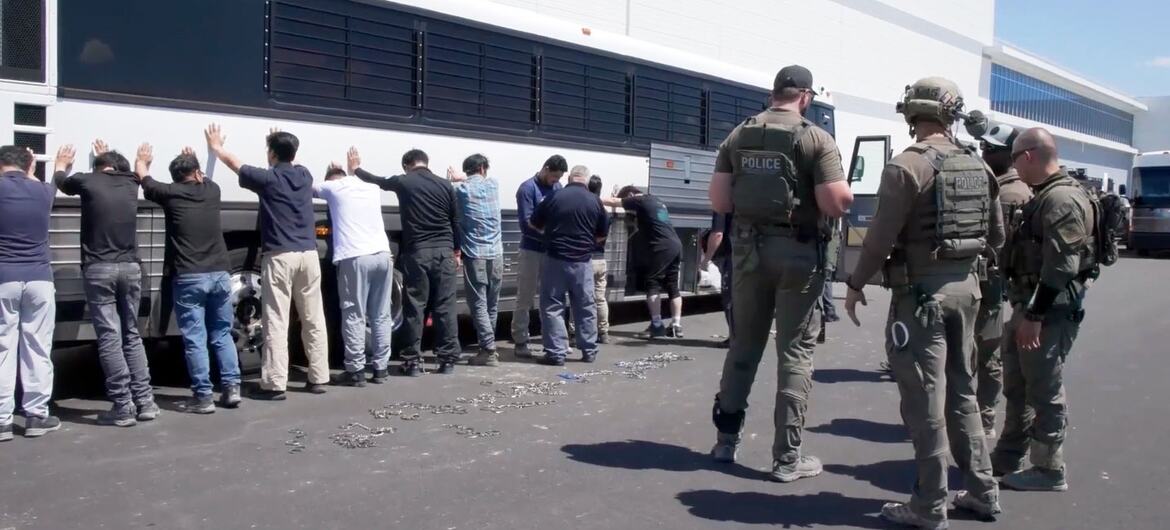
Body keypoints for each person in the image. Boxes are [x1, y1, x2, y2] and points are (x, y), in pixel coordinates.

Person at [843, 77, 1004, 527]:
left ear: (913, 113)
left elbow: (879, 238)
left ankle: (930, 504)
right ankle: (982, 491)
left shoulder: (906, 166)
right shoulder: (979, 166)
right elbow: (996, 237)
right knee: (963, 392)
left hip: (920, 297)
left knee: (924, 400)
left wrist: (855, 284)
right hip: (967, 292)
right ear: (952, 113)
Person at [706, 65, 853, 483]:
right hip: (799, 255)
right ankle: (787, 458)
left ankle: (725, 441)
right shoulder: (815, 138)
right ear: (805, 96)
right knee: (795, 353)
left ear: (774, 93)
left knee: (743, 346)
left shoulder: (739, 134)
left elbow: (720, 200)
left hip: (749, 253)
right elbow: (836, 203)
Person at [992, 127, 1096, 492]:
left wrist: (1034, 316)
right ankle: (1010, 454)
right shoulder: (1045, 195)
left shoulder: (1062, 199)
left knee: (1045, 389)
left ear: (1029, 156)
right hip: (1030, 307)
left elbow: (1062, 267)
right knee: (1018, 385)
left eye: (1015, 159)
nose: (1014, 167)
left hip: (1048, 313)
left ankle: (1049, 469)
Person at [205, 124, 328, 400]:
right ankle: (318, 377)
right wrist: (277, 145)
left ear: (272, 154)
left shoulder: (268, 179)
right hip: (309, 255)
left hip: (280, 255)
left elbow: (237, 165)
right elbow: (284, 162)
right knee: (313, 317)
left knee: (276, 319)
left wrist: (217, 148)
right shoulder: (305, 175)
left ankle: (274, 384)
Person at [54, 140, 159, 426]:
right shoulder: (131, 182)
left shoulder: (87, 181)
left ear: (98, 168)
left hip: (99, 269)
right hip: (131, 268)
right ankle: (146, 401)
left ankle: (123, 406)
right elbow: (127, 172)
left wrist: (61, 165)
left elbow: (62, 181)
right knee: (131, 335)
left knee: (110, 337)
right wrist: (138, 161)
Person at [136, 144, 242, 413]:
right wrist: (193, 157)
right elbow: (202, 177)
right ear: (196, 173)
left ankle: (203, 397)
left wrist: (142, 161)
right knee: (222, 333)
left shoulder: (169, 193)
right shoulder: (212, 190)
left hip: (189, 276)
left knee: (195, 338)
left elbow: (145, 180)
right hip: (220, 273)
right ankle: (231, 388)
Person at [354, 148, 462, 376]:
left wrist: (356, 169)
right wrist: (457, 251)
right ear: (426, 162)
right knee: (445, 307)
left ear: (406, 165)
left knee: (415, 306)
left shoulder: (404, 181)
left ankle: (412, 361)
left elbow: (376, 180)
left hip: (418, 252)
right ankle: (447, 360)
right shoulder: (445, 185)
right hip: (444, 252)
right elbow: (456, 220)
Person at [972, 123, 1033, 438]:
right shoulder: (998, 185)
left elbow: (1000, 244)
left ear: (1009, 154)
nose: (984, 153)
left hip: (991, 281)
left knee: (986, 351)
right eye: (983, 147)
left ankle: (984, 417)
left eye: (991, 149)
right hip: (985, 279)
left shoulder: (1011, 193)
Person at [314, 163, 393, 386]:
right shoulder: (369, 187)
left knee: (354, 313)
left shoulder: (332, 187)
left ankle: (356, 370)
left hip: (355, 257)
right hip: (383, 255)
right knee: (381, 314)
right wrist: (352, 169)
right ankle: (381, 368)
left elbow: (304, 188)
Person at [0, 146, 59, 439]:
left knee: (3, 347)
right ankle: (36, 416)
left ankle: (2, 421)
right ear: (29, 167)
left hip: (4, 277)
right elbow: (46, 183)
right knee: (37, 346)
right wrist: (34, 169)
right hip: (40, 279)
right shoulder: (44, 192)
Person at [529, 166, 608, 366]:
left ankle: (556, 353)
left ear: (570, 178)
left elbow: (534, 224)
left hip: (555, 259)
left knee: (553, 306)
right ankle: (589, 350)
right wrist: (587, 244)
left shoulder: (554, 197)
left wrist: (549, 234)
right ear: (586, 180)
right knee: (585, 306)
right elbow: (602, 234)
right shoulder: (595, 201)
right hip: (583, 262)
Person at [601, 186, 683, 339]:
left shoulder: (639, 200)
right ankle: (676, 326)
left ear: (631, 195)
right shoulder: (655, 200)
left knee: (652, 283)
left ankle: (657, 325)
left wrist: (592, 198)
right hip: (675, 244)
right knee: (672, 285)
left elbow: (613, 201)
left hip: (661, 246)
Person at [448, 154, 503, 366]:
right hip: (496, 254)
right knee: (492, 304)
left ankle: (488, 349)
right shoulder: (493, 185)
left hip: (475, 254)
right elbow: (478, 180)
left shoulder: (460, 190)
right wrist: (462, 177)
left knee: (478, 303)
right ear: (482, 168)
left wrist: (455, 178)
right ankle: (486, 347)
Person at [511, 155, 567, 357]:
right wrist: (550, 235)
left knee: (552, 297)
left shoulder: (558, 188)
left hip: (551, 251)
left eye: (558, 178)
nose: (555, 181)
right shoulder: (527, 189)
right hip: (531, 250)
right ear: (545, 169)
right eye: (554, 176)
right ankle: (520, 340)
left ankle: (553, 340)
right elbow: (526, 224)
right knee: (525, 297)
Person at [701, 211, 733, 348]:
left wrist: (706, 259)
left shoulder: (722, 207)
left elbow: (718, 234)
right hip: (749, 254)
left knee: (730, 299)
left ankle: (735, 338)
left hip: (730, 256)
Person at [587, 175, 611, 344]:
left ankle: (575, 333)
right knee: (600, 299)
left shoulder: (586, 209)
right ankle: (603, 333)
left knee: (580, 298)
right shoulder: (604, 211)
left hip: (586, 259)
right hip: (601, 260)